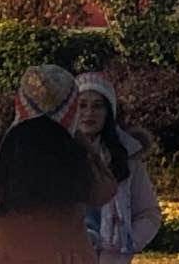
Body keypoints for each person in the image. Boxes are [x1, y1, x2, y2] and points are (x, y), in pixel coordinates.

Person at [0, 64, 111, 264]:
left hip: (8, 256)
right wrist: (83, 142)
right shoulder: (73, 154)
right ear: (72, 106)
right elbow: (105, 191)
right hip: (67, 257)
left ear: (20, 101)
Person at [67, 71, 161, 264]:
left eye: (97, 106)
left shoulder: (127, 156)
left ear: (108, 112)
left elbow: (148, 213)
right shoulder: (57, 155)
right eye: (82, 105)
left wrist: (128, 241)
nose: (89, 113)